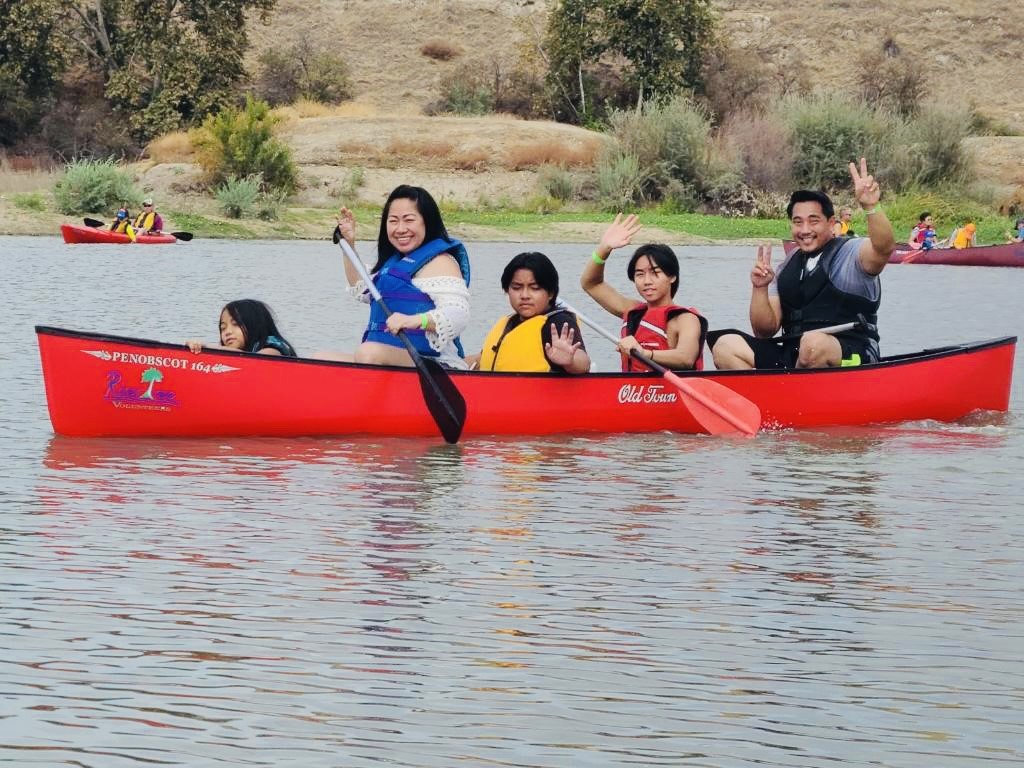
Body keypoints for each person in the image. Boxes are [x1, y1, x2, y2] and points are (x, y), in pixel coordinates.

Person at [711, 157, 895, 370]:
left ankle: (789, 393)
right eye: (798, 222)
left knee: (813, 345)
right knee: (725, 345)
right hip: (795, 356)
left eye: (813, 221)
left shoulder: (850, 253)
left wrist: (871, 207)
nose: (805, 230)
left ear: (831, 223)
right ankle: (771, 399)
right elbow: (764, 331)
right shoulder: (785, 267)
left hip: (852, 355)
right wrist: (759, 288)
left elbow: (883, 248)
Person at [326, 184, 471, 368]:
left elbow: (458, 315)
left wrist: (415, 320)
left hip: (436, 365)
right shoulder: (392, 264)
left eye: (409, 220)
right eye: (393, 221)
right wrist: (349, 245)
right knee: (323, 357)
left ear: (427, 221)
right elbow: (360, 286)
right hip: (390, 360)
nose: (400, 229)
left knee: (368, 352)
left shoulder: (441, 262)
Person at [580, 214, 707, 371]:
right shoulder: (631, 310)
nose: (647, 281)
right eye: (640, 274)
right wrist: (604, 249)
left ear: (672, 277)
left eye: (655, 273)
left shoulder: (685, 319)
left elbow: (685, 358)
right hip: (633, 393)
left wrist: (645, 353)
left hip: (668, 395)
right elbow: (591, 284)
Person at [469, 251, 590, 373]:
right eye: (517, 288)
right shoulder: (509, 323)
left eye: (535, 288)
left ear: (551, 293)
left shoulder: (558, 322)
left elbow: (583, 362)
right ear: (507, 290)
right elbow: (481, 358)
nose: (525, 295)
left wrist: (570, 361)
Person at [186, 299, 296, 356]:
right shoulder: (240, 353)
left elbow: (259, 360)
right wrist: (196, 348)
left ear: (255, 324)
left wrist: (207, 347)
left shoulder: (272, 345)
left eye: (235, 324)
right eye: (223, 328)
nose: (227, 332)